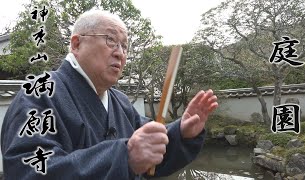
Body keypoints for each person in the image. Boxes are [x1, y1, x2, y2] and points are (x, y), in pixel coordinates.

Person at [1, 9, 218, 179]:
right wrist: (124, 157)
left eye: (124, 46)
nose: (120, 53)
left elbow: (147, 148)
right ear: (76, 44)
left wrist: (180, 133)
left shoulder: (119, 102)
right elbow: (29, 171)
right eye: (111, 40)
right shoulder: (39, 95)